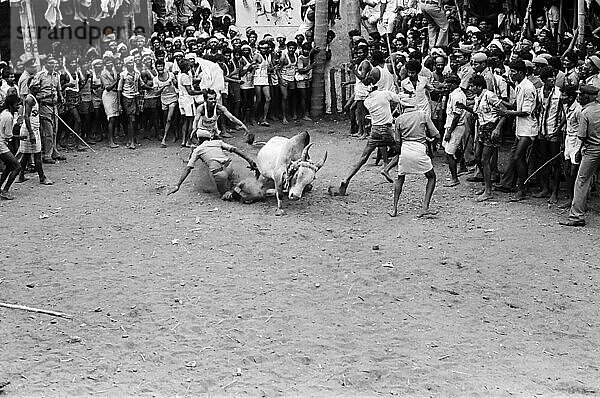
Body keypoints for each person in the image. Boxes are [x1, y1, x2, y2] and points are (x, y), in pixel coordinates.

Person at [329, 68, 401, 196]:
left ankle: (346, 179)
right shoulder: (385, 94)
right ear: (377, 83)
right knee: (403, 151)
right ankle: (386, 168)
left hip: (375, 131)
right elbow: (400, 99)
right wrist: (398, 88)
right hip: (387, 129)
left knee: (363, 158)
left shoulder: (367, 102)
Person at [495, 59, 538, 201]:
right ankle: (515, 185)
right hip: (521, 128)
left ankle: (522, 189)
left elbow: (526, 111)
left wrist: (506, 113)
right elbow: (516, 106)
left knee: (518, 156)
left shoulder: (528, 87)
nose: (511, 74)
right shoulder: (519, 85)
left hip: (528, 129)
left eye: (513, 72)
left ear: (520, 72)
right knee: (516, 156)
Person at [389, 99, 440, 218]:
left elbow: (397, 141)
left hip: (406, 149)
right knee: (431, 177)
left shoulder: (399, 119)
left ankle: (394, 209)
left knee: (400, 178)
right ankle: (425, 207)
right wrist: (434, 142)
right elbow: (436, 134)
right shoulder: (422, 115)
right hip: (419, 149)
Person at [457, 75, 503, 201]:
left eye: (472, 86)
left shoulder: (490, 96)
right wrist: (465, 107)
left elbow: (504, 112)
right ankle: (486, 183)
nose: (470, 88)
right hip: (482, 128)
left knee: (485, 159)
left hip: (491, 128)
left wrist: (497, 128)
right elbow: (477, 112)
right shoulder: (479, 97)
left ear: (479, 86)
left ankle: (488, 190)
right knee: (478, 157)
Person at [560, 85, 600, 227]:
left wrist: (578, 152)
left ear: (588, 96)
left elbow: (582, 136)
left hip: (591, 150)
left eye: (581, 95)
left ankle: (576, 216)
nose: (579, 97)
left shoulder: (585, 112)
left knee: (581, 181)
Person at [167, 137, 258, 200]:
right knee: (233, 183)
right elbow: (234, 149)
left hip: (218, 173)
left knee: (225, 194)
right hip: (228, 166)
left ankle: (240, 195)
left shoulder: (198, 149)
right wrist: (249, 160)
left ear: (199, 139)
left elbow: (188, 168)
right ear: (210, 138)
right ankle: (242, 190)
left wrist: (178, 185)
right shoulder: (217, 142)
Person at [17, 82, 53, 186]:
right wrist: (31, 133)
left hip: (33, 128)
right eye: (36, 85)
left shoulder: (34, 98)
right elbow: (27, 116)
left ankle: (21, 175)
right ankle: (42, 177)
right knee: (37, 154)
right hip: (30, 129)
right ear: (31, 86)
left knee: (26, 154)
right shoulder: (30, 99)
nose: (39, 86)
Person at [558, 84, 582, 207]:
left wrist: (580, 149)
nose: (562, 97)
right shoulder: (567, 106)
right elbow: (566, 122)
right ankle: (570, 197)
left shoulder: (578, 110)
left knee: (574, 172)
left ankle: (577, 200)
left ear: (571, 97)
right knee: (567, 171)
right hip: (568, 140)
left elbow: (583, 130)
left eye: (564, 95)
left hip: (577, 142)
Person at [442, 74, 467, 187]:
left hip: (456, 127)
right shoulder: (454, 94)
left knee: (449, 153)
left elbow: (456, 116)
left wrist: (449, 132)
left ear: (453, 84)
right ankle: (463, 166)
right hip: (451, 125)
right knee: (454, 148)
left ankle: (454, 178)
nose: (446, 85)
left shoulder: (457, 96)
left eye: (448, 83)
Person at [0, 95, 23, 200]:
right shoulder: (8, 117)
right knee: (17, 167)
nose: (18, 106)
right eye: (16, 104)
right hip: (1, 144)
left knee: (10, 166)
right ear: (11, 105)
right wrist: (21, 137)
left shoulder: (5, 113)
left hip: (2, 143)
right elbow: (9, 136)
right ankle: (5, 190)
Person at [155, 58, 179, 148]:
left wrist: (174, 81)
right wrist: (164, 86)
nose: (160, 68)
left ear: (164, 67)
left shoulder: (171, 74)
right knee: (167, 119)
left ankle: (164, 140)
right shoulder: (155, 79)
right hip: (163, 100)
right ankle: (174, 133)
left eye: (161, 66)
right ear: (156, 68)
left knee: (169, 118)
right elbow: (156, 92)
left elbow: (177, 84)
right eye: (158, 66)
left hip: (173, 98)